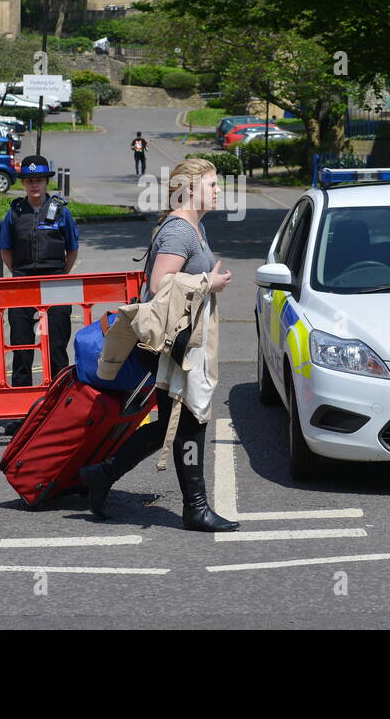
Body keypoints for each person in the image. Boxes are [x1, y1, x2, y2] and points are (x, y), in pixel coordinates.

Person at [79, 157, 238, 533]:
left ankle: (102, 474)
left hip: (183, 342)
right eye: (212, 185)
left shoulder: (194, 228)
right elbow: (159, 285)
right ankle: (195, 508)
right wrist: (208, 285)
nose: (219, 192)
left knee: (171, 421)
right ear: (190, 188)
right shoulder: (179, 231)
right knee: (190, 420)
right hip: (169, 347)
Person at [0, 155, 79, 433]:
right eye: (29, 180)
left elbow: (73, 248)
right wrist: (19, 273)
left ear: (46, 182)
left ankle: (60, 410)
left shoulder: (61, 211)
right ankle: (23, 412)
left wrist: (60, 275)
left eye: (39, 180)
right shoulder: (15, 212)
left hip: (54, 279)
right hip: (21, 280)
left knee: (57, 344)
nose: (34, 185)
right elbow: (5, 250)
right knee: (21, 344)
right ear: (24, 183)